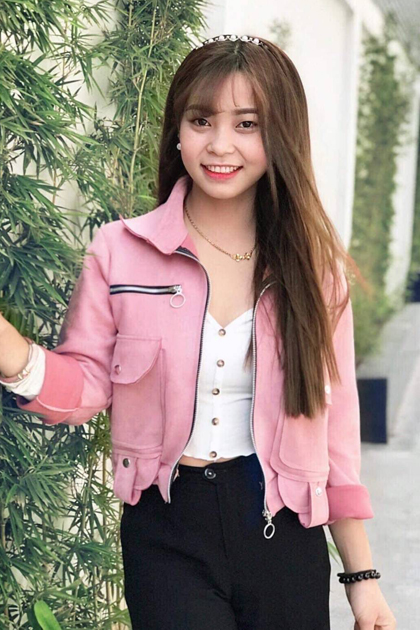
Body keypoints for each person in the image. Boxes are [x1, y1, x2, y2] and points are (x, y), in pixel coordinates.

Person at [0, 34, 396, 630]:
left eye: (247, 124)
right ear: (177, 130)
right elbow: (84, 389)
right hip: (167, 533)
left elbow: (335, 436)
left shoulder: (313, 270)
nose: (219, 144)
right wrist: (9, 348)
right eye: (201, 120)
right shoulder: (121, 251)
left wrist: (363, 583)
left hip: (285, 534)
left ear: (281, 135)